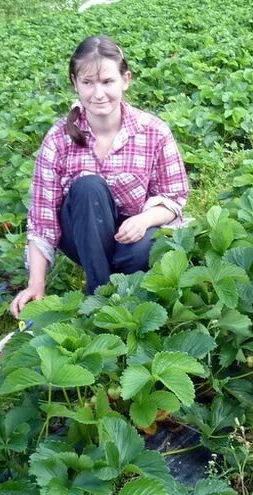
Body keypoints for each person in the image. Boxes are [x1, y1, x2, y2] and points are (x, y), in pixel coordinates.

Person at [10, 36, 189, 318]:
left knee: (147, 249)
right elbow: (43, 220)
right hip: (80, 234)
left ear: (125, 80)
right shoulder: (59, 138)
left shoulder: (153, 131)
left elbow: (175, 196)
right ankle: (99, 296)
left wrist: (144, 220)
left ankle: (114, 281)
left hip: (130, 236)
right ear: (75, 83)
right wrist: (36, 283)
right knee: (88, 187)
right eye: (88, 83)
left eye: (107, 81)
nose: (98, 93)